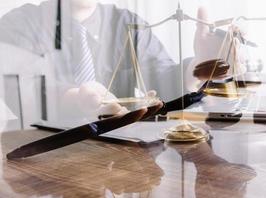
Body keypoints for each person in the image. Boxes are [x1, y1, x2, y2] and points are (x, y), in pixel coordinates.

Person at [0, 0, 240, 121]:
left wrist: (198, 70)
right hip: (43, 166)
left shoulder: (126, 23)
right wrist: (78, 99)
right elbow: (25, 93)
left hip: (120, 161)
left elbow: (163, 82)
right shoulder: (17, 25)